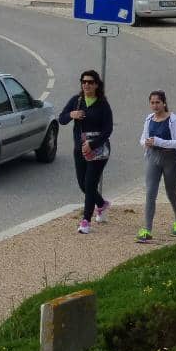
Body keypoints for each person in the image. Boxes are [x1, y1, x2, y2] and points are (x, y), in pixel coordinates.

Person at [58, 69, 113, 234]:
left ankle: (85, 221)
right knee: (83, 184)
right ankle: (102, 204)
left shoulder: (103, 104)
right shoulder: (76, 101)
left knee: (90, 184)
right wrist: (71, 114)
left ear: (96, 84)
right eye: (84, 82)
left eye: (90, 82)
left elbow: (108, 129)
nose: (86, 85)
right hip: (79, 149)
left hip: (98, 151)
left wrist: (93, 144)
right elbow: (61, 119)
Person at [137, 90, 176, 242]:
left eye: (158, 102)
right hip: (153, 157)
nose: (155, 106)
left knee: (171, 193)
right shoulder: (149, 119)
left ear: (164, 103)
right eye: (152, 103)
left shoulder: (173, 120)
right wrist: (145, 142)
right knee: (150, 193)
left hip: (170, 159)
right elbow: (142, 138)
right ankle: (147, 229)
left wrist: (159, 141)